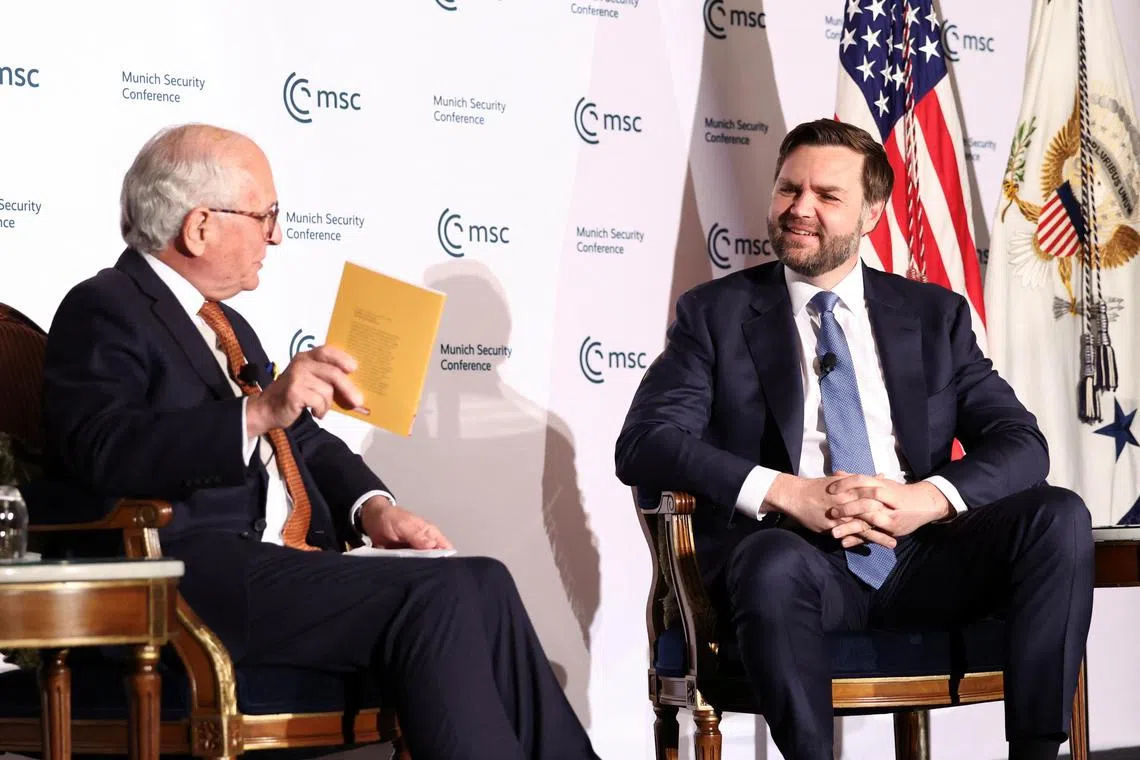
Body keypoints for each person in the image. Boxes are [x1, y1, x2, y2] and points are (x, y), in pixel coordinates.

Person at [41, 123, 600, 760]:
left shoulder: (226, 324)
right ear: (199, 226)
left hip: (277, 567)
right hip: (191, 574)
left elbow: (300, 436)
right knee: (439, 595)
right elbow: (103, 447)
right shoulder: (104, 306)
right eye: (265, 215)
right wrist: (256, 411)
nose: (276, 235)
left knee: (484, 581)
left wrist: (374, 508)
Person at [615, 119, 1094, 760]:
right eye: (789, 189)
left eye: (826, 196)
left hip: (922, 558)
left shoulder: (933, 316)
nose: (799, 209)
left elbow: (1020, 442)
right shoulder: (716, 314)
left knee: (1057, 515)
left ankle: (1036, 752)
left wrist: (925, 499)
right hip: (797, 563)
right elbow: (645, 442)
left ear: (872, 212)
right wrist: (789, 492)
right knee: (770, 561)